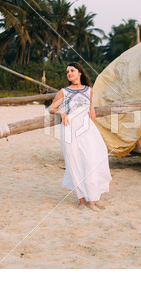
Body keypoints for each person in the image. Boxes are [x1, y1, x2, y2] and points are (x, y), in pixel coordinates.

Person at [49, 62, 112, 212]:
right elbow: (52, 108)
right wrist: (62, 112)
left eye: (72, 70)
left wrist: (92, 111)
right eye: (67, 72)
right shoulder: (64, 92)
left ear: (80, 73)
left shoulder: (89, 90)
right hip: (70, 129)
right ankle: (82, 201)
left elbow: (91, 108)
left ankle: (93, 200)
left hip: (87, 129)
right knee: (74, 163)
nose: (69, 73)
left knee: (93, 160)